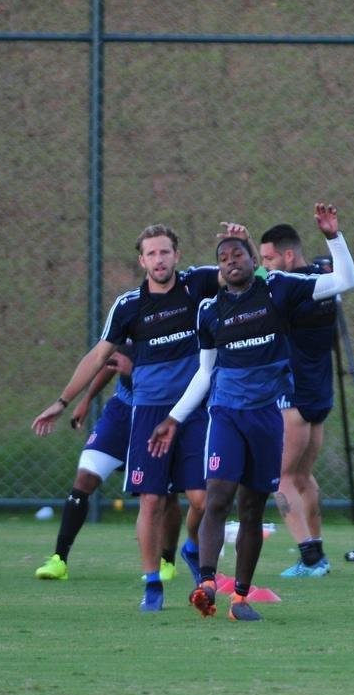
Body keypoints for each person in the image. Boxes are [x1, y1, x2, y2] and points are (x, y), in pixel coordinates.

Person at [149, 203, 354, 622]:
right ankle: (206, 582)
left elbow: (345, 281)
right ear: (218, 268)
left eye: (239, 255)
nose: (231, 263)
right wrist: (174, 417)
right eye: (223, 259)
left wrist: (334, 237)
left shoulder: (278, 287)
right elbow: (205, 373)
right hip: (226, 414)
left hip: (267, 416)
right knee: (217, 498)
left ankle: (240, 597)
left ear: (251, 260)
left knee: (251, 509)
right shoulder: (209, 312)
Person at [32, 225, 222, 611]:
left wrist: (245, 239)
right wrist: (63, 401)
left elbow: (241, 274)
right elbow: (98, 356)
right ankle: (152, 584)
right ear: (142, 261)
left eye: (165, 252)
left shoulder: (197, 286)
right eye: (151, 254)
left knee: (203, 499)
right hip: (148, 412)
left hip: (192, 408)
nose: (159, 259)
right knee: (150, 501)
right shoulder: (128, 305)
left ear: (176, 254)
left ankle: (188, 547)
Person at [258, 223, 336, 578]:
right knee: (304, 476)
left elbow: (254, 286)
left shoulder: (290, 287)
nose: (266, 265)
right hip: (319, 390)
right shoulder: (324, 281)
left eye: (269, 258)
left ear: (288, 255)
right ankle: (317, 555)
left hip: (292, 392)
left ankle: (308, 557)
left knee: (282, 477)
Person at [32, 344, 142, 580]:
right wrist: (86, 399)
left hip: (156, 413)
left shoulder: (183, 319)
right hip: (120, 415)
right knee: (84, 478)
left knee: (157, 494)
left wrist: (133, 370)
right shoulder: (129, 311)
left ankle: (166, 561)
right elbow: (111, 360)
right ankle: (59, 560)